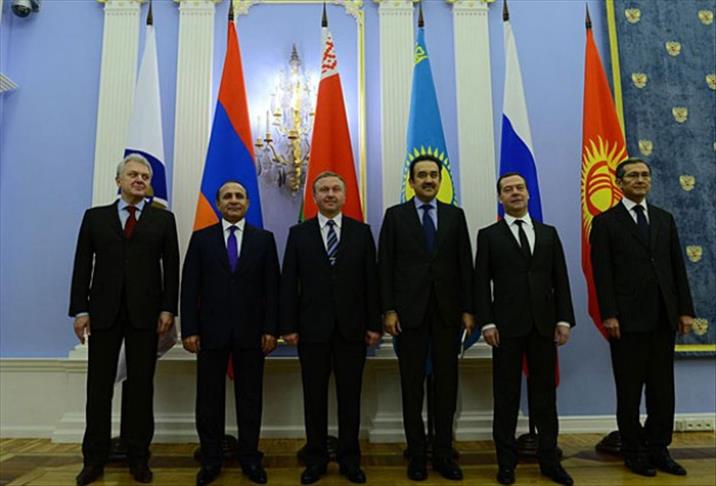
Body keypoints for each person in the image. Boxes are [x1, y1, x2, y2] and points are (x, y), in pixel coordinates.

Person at [69, 153, 179, 485]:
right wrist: (80, 310)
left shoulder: (163, 220)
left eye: (145, 176)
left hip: (146, 316)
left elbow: (172, 267)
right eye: (133, 175)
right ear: (119, 180)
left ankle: (138, 457)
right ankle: (94, 459)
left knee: (140, 389)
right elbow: (82, 265)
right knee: (98, 389)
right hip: (103, 315)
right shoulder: (95, 218)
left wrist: (168, 309)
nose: (140, 180)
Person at [590, 158, 694, 478]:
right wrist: (609, 314)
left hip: (663, 316)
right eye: (633, 175)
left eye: (645, 175)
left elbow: (677, 267)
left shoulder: (664, 218)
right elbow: (602, 274)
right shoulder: (605, 222)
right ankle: (634, 451)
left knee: (663, 389)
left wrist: (685, 310)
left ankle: (659, 448)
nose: (640, 180)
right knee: (630, 390)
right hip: (626, 321)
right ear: (619, 182)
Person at [280, 171, 381, 485]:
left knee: (350, 398)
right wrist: (288, 325)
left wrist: (374, 324)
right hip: (311, 331)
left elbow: (372, 282)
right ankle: (316, 460)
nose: (330, 194)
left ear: (345, 196)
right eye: (323, 189)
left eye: (336, 189)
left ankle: (350, 460)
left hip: (353, 330)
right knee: (314, 398)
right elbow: (288, 283)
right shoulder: (299, 234)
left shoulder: (361, 233)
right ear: (314, 197)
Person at [474, 172, 575, 486]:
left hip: (543, 326)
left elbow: (560, 279)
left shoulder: (548, 233)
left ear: (528, 194)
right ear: (500, 198)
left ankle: (549, 461)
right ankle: (506, 464)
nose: (515, 193)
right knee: (506, 398)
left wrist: (564, 319)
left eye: (519, 188)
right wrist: (487, 322)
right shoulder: (488, 235)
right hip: (505, 329)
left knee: (544, 398)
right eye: (508, 189)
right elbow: (480, 284)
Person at [378, 154, 474, 481]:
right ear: (411, 181)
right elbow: (385, 266)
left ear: (440, 180)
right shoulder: (395, 216)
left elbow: (465, 265)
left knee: (446, 387)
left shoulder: (455, 216)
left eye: (434, 174)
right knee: (412, 387)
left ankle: (444, 453)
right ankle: (417, 454)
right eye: (422, 175)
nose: (428, 180)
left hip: (448, 315)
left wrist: (468, 309)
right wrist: (389, 310)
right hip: (409, 316)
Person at [181, 180, 279, 486]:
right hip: (210, 333)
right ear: (219, 203)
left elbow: (273, 289)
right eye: (227, 196)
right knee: (208, 400)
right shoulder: (202, 239)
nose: (233, 200)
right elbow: (189, 287)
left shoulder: (264, 240)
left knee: (250, 399)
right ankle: (211, 459)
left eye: (239, 196)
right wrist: (190, 329)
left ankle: (250, 458)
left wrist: (271, 329)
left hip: (253, 333)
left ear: (248, 203)